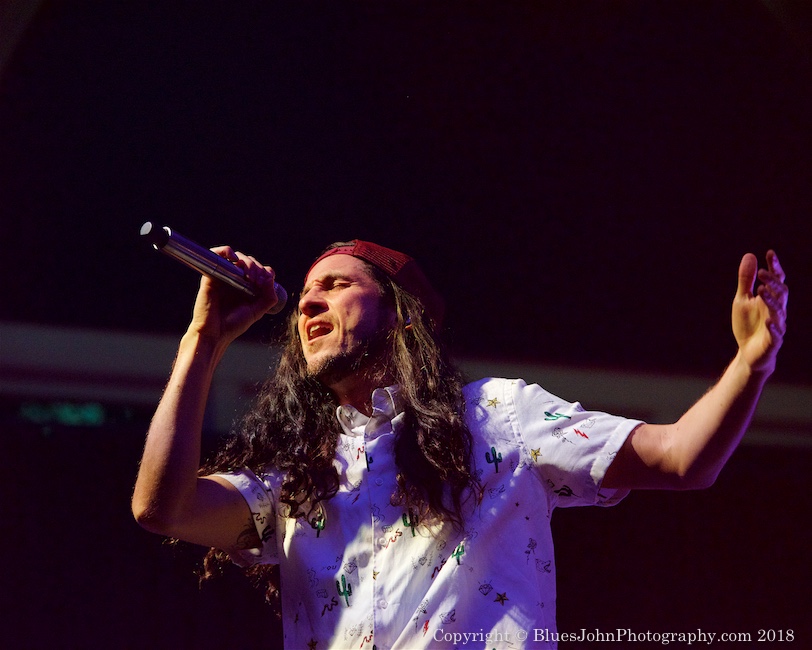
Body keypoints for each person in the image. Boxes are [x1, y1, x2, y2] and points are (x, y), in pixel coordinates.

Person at [132, 239, 788, 650]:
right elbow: (162, 508)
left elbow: (681, 458)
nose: (308, 305)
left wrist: (750, 364)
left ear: (402, 314)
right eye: (304, 294)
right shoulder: (300, 477)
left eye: (336, 285)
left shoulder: (500, 415)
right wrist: (203, 339)